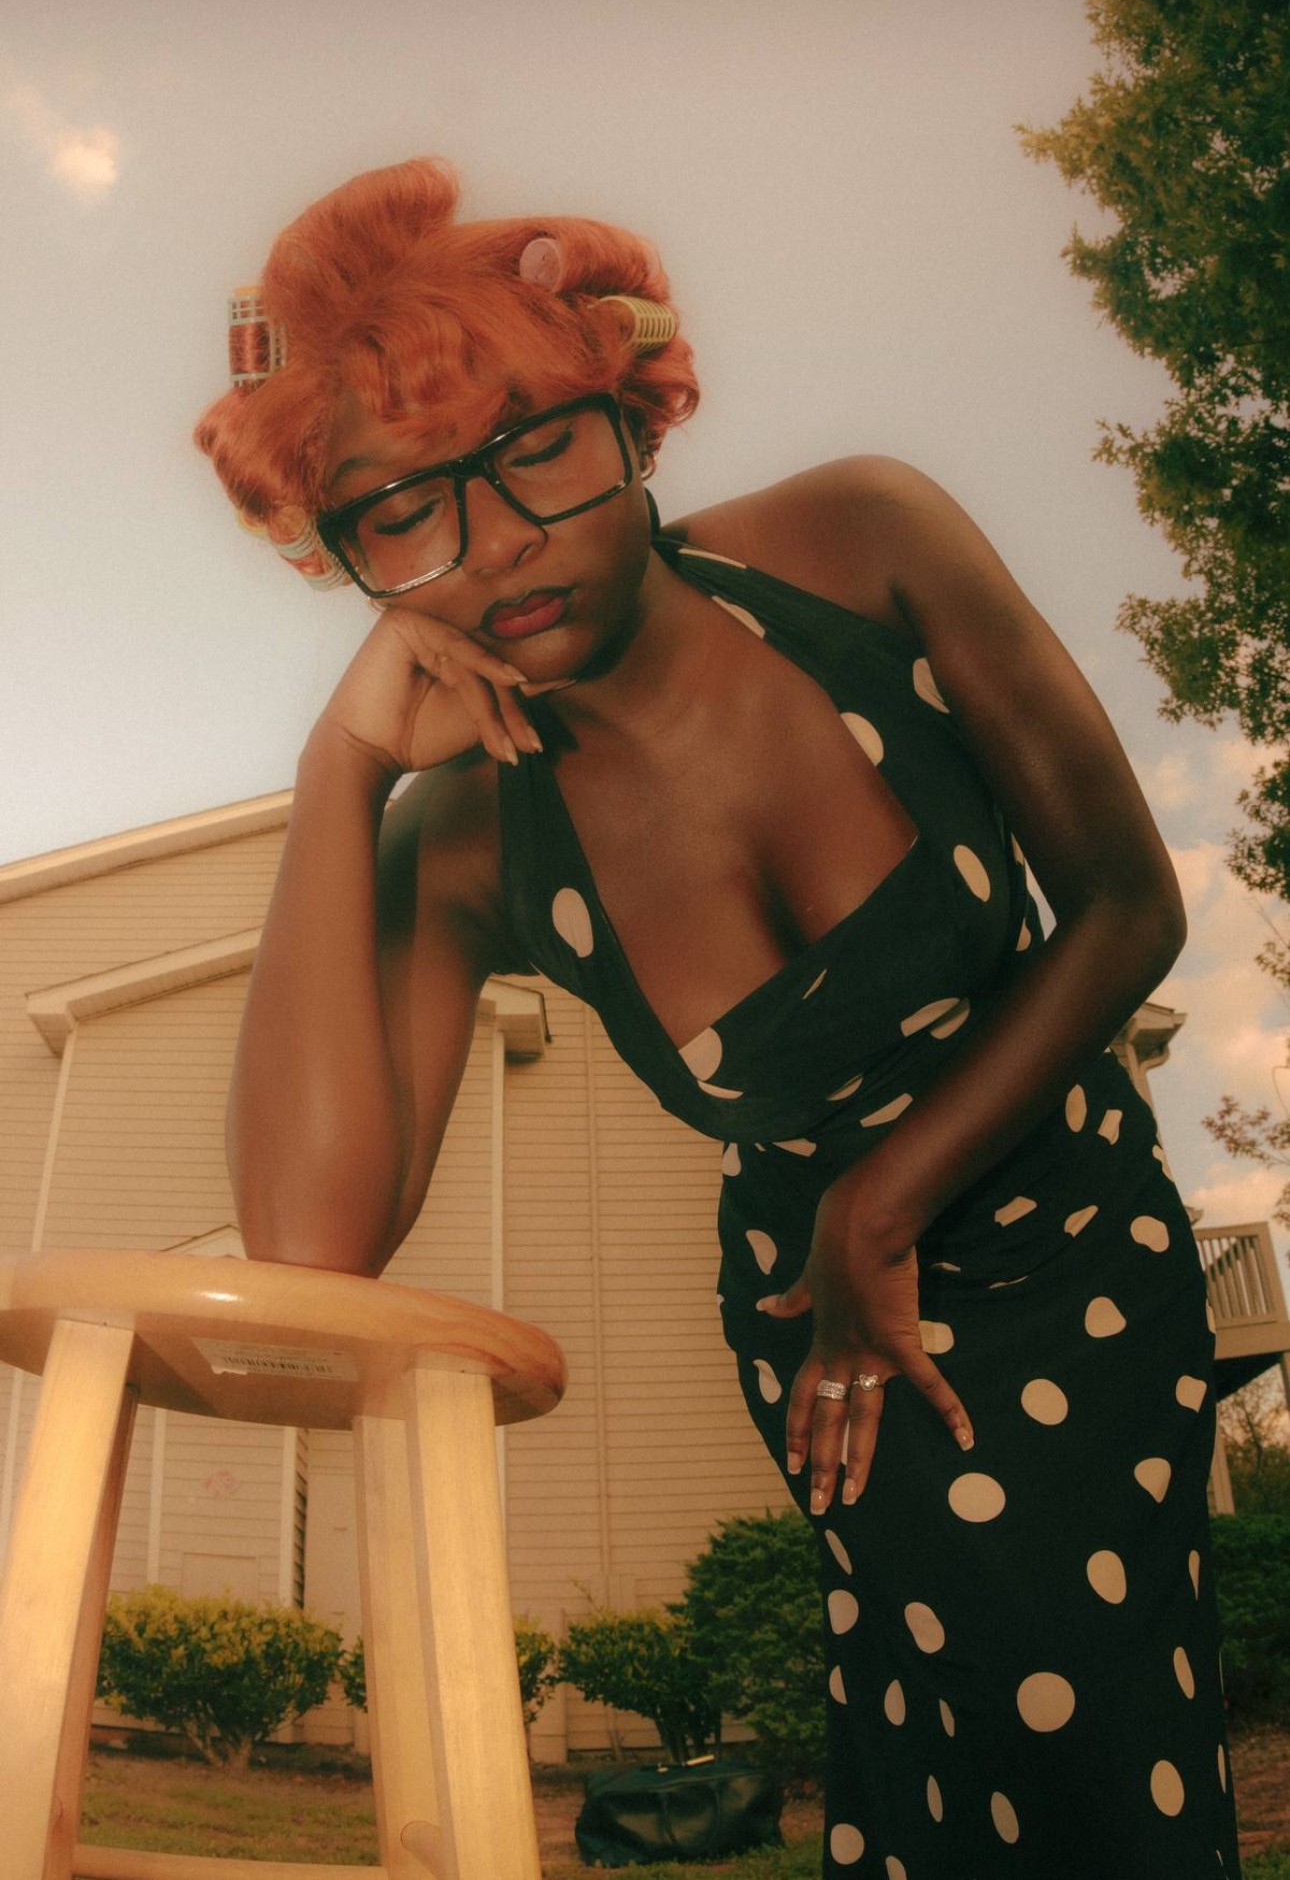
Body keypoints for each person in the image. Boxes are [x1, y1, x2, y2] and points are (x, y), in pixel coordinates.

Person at [196, 158, 1242, 1878]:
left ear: (632, 412)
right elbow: (312, 1244)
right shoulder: (466, 836)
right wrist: (341, 769)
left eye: (535, 446)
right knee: (938, 1736)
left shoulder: (859, 542)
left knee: (1096, 1743)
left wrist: (873, 1207)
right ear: (345, 557)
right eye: (400, 511)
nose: (497, 538)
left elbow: (1126, 903)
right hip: (826, 1345)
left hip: (1068, 1242)